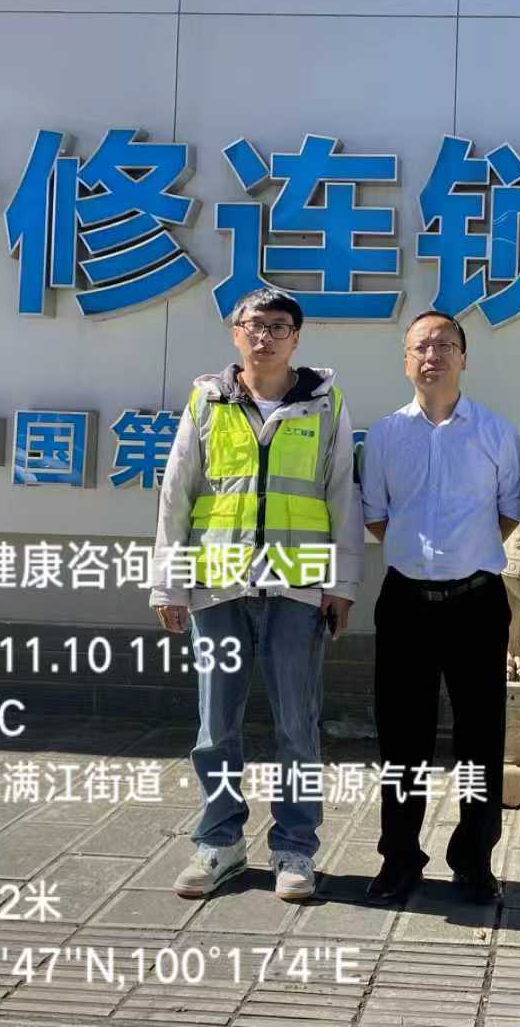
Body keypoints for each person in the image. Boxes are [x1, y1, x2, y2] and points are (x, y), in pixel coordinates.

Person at [149, 287, 360, 903]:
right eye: (254, 325)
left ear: (297, 337)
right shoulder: (207, 401)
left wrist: (342, 585)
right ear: (235, 332)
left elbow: (343, 495)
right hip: (218, 585)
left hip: (299, 587)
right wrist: (168, 581)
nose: (265, 336)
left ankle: (295, 847)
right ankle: (219, 842)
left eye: (278, 326)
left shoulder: (326, 404)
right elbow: (177, 495)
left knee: (298, 726)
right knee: (216, 726)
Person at [359, 311, 520, 905]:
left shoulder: (496, 433)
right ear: (406, 360)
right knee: (402, 739)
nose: (433, 356)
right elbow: (376, 516)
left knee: (480, 738)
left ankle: (474, 860)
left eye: (445, 345)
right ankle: (400, 857)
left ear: (464, 357)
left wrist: (462, 557)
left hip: (476, 604)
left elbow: (508, 513)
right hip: (405, 603)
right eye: (421, 347)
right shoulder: (384, 435)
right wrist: (422, 559)